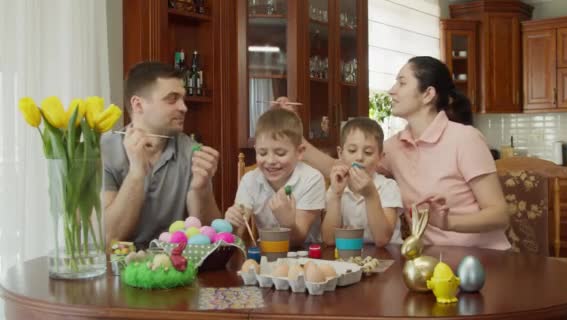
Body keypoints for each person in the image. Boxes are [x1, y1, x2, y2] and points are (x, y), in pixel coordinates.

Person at [276, 56, 510, 250]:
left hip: (483, 257)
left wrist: (448, 222)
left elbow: (499, 215)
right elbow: (341, 168)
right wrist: (294, 133)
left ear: (428, 94)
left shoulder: (465, 139)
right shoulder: (395, 147)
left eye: (401, 82)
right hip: (430, 260)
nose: (391, 90)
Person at [102, 61, 221, 249]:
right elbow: (109, 238)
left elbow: (209, 240)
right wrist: (136, 173)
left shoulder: (193, 152)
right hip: (116, 271)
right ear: (138, 104)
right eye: (172, 99)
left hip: (176, 269)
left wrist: (201, 189)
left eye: (183, 98)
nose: (184, 107)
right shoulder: (103, 152)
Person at [224, 108, 325, 247]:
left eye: (280, 153)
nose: (270, 160)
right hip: (267, 254)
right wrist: (233, 225)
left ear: (299, 152)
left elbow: (297, 241)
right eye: (263, 153)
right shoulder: (249, 180)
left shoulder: (312, 179)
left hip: (308, 255)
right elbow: (237, 236)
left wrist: (287, 223)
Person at [322, 118, 403, 247]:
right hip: (349, 256)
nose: (359, 157)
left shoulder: (388, 187)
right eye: (352, 151)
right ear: (340, 154)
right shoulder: (336, 187)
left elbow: (382, 239)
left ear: (380, 158)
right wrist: (336, 196)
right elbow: (329, 240)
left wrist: (371, 194)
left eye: (368, 152)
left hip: (388, 256)